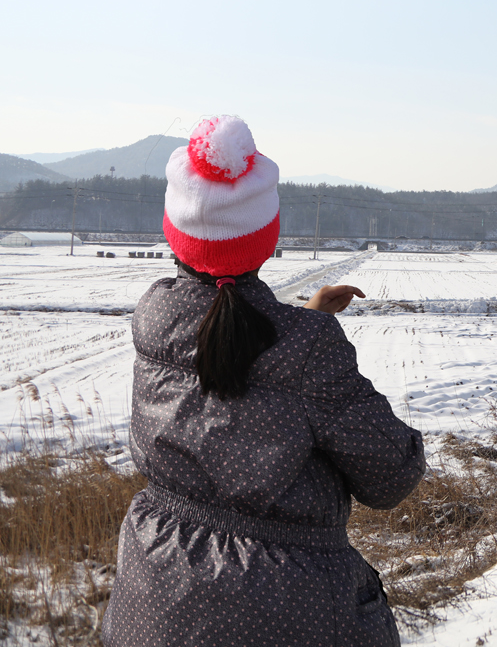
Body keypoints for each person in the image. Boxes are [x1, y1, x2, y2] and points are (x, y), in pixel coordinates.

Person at [103, 116, 425, 647]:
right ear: (268, 239)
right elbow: (392, 475)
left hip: (154, 603)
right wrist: (313, 334)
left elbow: (226, 347)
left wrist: (305, 324)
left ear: (174, 234)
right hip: (285, 611)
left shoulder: (155, 316)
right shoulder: (307, 349)